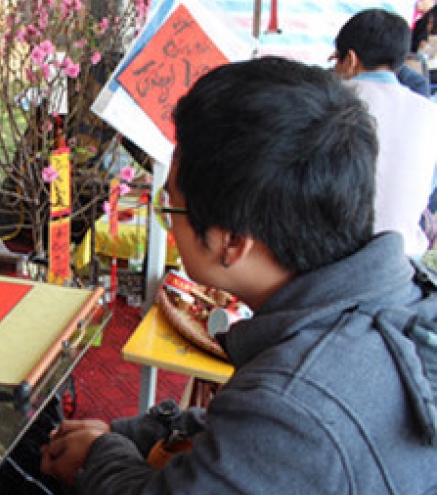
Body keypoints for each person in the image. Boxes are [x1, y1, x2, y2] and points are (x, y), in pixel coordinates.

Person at [39, 56, 437, 493]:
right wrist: (136, 434)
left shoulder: (294, 406)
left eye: (171, 208)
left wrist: (101, 455)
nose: (169, 223)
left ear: (233, 242)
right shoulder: (400, 294)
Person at [333, 8, 437, 258]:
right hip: (403, 259)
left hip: (333, 257)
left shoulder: (333, 100)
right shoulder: (429, 112)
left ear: (350, 60)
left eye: (335, 60)